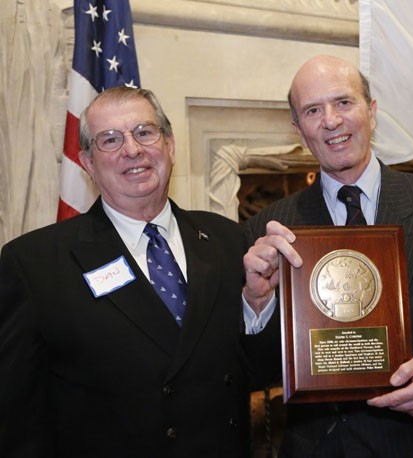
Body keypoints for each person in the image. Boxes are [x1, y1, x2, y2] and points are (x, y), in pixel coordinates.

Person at [241, 54, 413, 457]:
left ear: (371, 112)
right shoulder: (270, 229)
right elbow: (256, 372)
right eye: (313, 110)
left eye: (343, 103)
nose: (331, 121)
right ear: (299, 130)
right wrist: (258, 303)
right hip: (321, 446)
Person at [0, 87, 279, 457]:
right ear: (87, 163)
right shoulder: (34, 263)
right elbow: (17, 419)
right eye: (110, 140)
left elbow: (262, 374)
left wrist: (259, 303)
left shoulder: (227, 237)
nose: (132, 149)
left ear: (170, 145)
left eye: (145, 132)